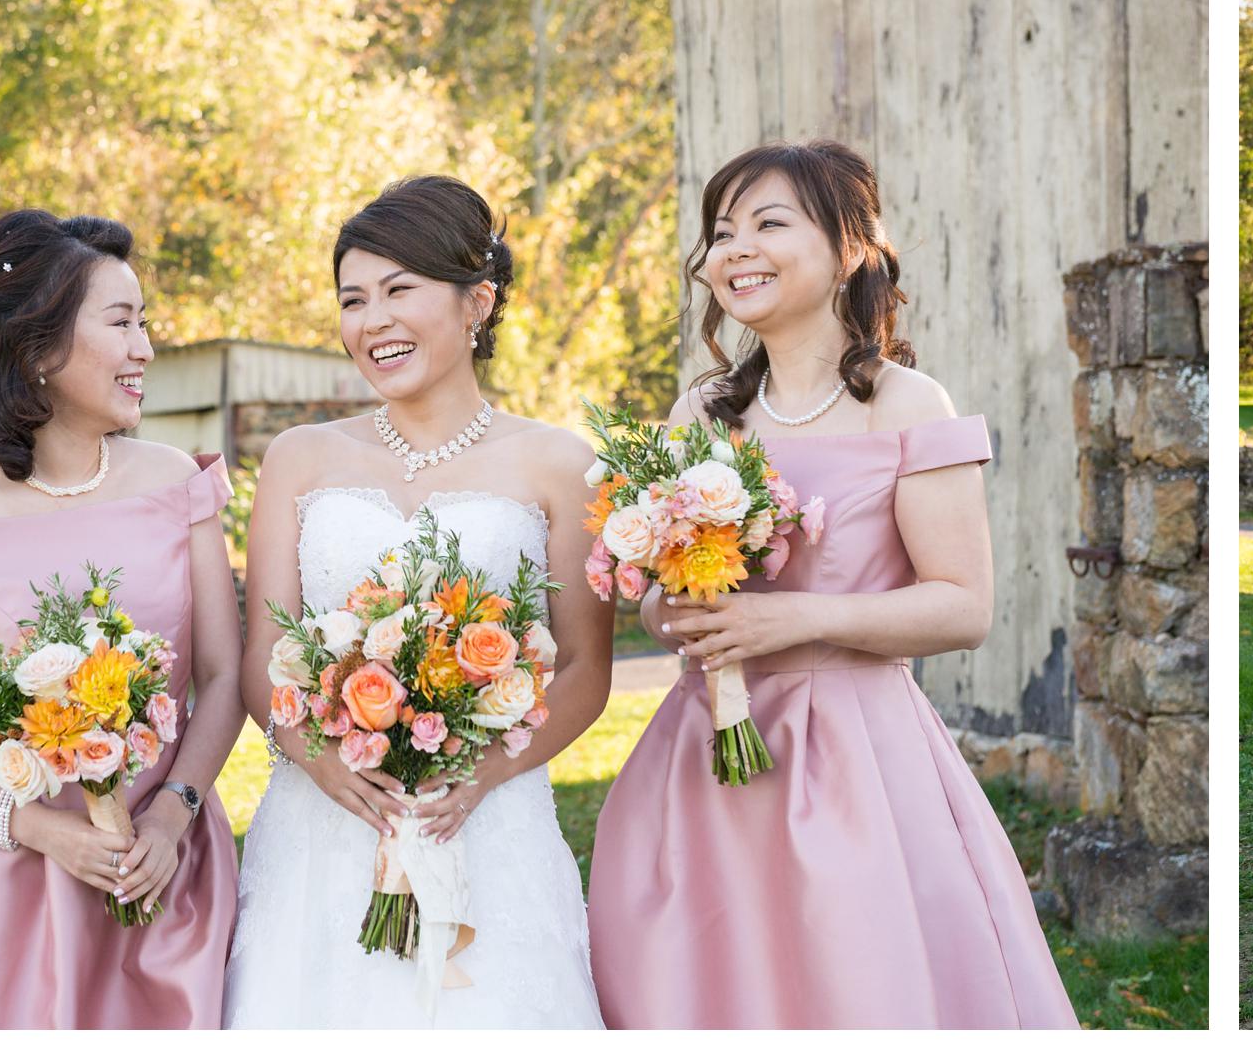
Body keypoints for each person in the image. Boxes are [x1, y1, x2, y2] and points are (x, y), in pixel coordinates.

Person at [585, 140, 1078, 1029]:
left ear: (850, 249)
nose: (736, 250)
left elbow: (964, 605)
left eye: (769, 224)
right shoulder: (702, 411)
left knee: (856, 980)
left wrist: (795, 619)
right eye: (722, 232)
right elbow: (658, 599)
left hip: (859, 757)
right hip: (706, 756)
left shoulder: (907, 405)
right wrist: (676, 608)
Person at [221, 176, 613, 1028]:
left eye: (400, 290)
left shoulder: (556, 463)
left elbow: (585, 668)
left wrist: (483, 775)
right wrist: (322, 764)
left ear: (477, 301)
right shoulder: (299, 458)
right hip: (322, 821)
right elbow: (262, 655)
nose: (372, 320)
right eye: (353, 299)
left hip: (487, 816)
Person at [0, 209, 243, 1028]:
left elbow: (224, 673)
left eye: (146, 324)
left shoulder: (177, 483)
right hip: (2, 878)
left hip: (167, 867)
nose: (144, 348)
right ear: (37, 346)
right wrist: (39, 831)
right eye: (122, 323)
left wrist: (172, 816)